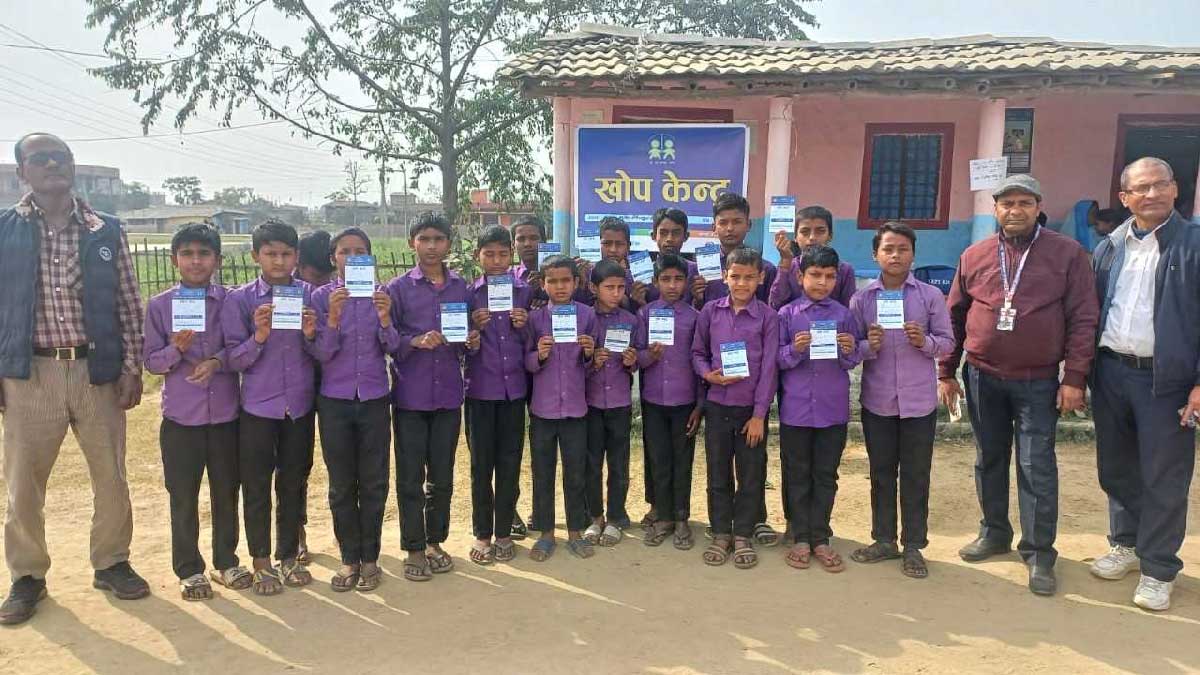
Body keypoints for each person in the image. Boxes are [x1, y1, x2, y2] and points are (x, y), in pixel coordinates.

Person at [0, 133, 147, 625]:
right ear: (23, 172)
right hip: (29, 374)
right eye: (38, 159)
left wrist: (131, 368)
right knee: (23, 482)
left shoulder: (104, 230)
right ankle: (27, 576)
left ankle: (111, 562)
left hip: (96, 372)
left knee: (111, 475)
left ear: (73, 166)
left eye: (59, 157)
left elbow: (129, 302)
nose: (51, 165)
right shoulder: (5, 229)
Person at [938, 174, 1098, 596]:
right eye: (1006, 203)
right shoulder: (975, 255)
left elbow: (1083, 317)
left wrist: (1075, 378)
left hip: (1038, 380)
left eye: (1024, 202)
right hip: (982, 375)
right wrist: (946, 371)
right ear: (995, 209)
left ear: (1038, 206)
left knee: (1036, 464)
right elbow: (955, 316)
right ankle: (994, 533)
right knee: (988, 458)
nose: (1015, 210)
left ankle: (1040, 552)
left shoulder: (1068, 254)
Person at [1089, 157, 1200, 611]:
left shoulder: (1194, 246)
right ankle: (1127, 544)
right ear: (1124, 197)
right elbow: (1091, 310)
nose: (1151, 194)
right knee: (1116, 467)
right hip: (1112, 372)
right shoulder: (1109, 247)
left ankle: (1158, 568)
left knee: (1165, 475)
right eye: (1141, 188)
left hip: (1168, 381)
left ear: (1175, 190)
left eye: (1160, 185)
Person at [143, 223, 248, 601]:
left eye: (204, 254)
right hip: (180, 421)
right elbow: (152, 363)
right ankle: (189, 570)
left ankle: (227, 561)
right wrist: (175, 349)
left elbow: (240, 350)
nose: (196, 261)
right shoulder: (159, 306)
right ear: (175, 261)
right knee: (183, 496)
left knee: (226, 491)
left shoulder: (232, 302)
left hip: (225, 417)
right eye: (187, 254)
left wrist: (218, 361)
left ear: (217, 260)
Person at [848, 222, 954, 579]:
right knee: (880, 473)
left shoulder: (929, 297)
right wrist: (868, 346)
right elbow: (849, 350)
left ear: (913, 254)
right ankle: (883, 540)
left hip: (918, 403)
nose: (895, 255)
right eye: (888, 249)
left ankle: (913, 546)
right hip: (877, 401)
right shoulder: (862, 299)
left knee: (915, 475)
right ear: (875, 254)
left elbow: (948, 342)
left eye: (903, 249)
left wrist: (924, 341)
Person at [224, 219, 318, 595]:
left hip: (299, 405)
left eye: (286, 254)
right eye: (270, 253)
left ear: (296, 256)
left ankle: (289, 556)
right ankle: (261, 561)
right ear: (255, 256)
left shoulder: (311, 295)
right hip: (258, 407)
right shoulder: (241, 299)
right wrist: (258, 337)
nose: (279, 261)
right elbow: (233, 359)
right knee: (257, 485)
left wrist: (312, 334)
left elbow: (326, 352)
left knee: (294, 483)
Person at [386, 212, 476, 581]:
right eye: (424, 239)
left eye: (439, 239)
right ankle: (413, 548)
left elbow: (467, 339)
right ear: (413, 243)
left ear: (448, 245)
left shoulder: (461, 288)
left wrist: (472, 340)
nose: (432, 246)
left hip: (448, 397)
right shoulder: (397, 289)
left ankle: (436, 541)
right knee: (410, 476)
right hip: (410, 394)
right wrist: (414, 341)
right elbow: (388, 339)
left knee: (442, 475)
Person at [311, 227, 397, 592]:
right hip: (335, 400)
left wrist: (385, 319)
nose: (352, 256)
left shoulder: (383, 295)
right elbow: (319, 354)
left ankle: (372, 559)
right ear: (334, 258)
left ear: (370, 258)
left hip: (375, 397)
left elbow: (394, 347)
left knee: (375, 481)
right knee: (342, 484)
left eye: (360, 251)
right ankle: (349, 559)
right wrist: (331, 318)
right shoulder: (320, 297)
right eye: (344, 251)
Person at [776, 246, 862, 573]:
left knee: (826, 475)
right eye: (815, 275)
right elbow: (777, 361)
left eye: (829, 277)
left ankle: (821, 536)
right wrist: (794, 350)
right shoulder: (787, 314)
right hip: (796, 410)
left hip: (831, 410)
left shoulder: (843, 314)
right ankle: (799, 535)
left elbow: (851, 360)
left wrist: (849, 349)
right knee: (797, 473)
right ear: (800, 277)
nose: (822, 282)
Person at [693, 247, 779, 569]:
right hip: (717, 406)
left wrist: (759, 415)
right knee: (718, 474)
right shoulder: (710, 312)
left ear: (760, 278)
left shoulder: (769, 317)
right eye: (735, 276)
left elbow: (769, 368)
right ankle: (720, 533)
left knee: (750, 473)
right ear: (725, 277)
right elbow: (697, 352)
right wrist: (707, 374)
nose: (741, 283)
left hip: (750, 412)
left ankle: (742, 533)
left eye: (748, 277)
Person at [464, 226, 533, 565]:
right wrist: (471, 332)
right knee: (481, 465)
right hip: (479, 390)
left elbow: (534, 342)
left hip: (513, 392)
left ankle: (504, 531)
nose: (496, 260)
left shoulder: (524, 292)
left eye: (502, 254)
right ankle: (482, 533)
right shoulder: (468, 294)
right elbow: (458, 344)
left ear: (511, 256)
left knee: (509, 462)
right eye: (488, 254)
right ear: (478, 256)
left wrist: (525, 325)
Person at [524, 254, 598, 561]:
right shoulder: (535, 319)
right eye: (552, 281)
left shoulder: (587, 315)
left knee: (575, 472)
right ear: (543, 285)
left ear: (576, 283)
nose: (559, 286)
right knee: (543, 472)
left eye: (565, 280)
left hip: (576, 410)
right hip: (542, 410)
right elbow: (525, 362)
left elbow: (591, 368)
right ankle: (545, 533)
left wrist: (590, 352)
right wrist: (539, 355)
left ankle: (576, 532)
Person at [639, 254, 704, 550]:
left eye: (678, 279)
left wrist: (699, 405)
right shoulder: (645, 314)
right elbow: (636, 357)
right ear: (655, 282)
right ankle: (663, 515)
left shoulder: (695, 317)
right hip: (653, 401)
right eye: (665, 279)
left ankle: (681, 518)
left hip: (684, 402)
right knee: (659, 461)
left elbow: (701, 361)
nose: (672, 285)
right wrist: (648, 356)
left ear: (687, 282)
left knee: (682, 462)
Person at [583, 260, 641, 545]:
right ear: (594, 288)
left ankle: (616, 516)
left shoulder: (630, 320)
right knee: (591, 463)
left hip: (619, 402)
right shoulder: (585, 319)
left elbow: (639, 356)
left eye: (621, 287)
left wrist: (633, 361)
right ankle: (594, 516)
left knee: (618, 464)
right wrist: (591, 361)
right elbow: (573, 362)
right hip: (590, 403)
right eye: (609, 287)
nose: (616, 293)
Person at [293, 229, 333, 564]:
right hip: (299, 386)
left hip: (337, 385)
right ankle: (296, 532)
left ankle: (349, 533)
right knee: (296, 463)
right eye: (315, 276)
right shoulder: (289, 293)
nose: (321, 284)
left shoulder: (348, 289)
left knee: (343, 464)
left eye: (328, 275)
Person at [769, 205, 857, 309]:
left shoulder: (844, 270)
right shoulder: (788, 267)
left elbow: (849, 311)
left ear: (830, 236)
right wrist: (785, 262)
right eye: (805, 232)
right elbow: (775, 305)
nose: (812, 237)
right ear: (796, 237)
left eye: (820, 231)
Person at [699, 193, 777, 307]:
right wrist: (697, 298)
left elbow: (772, 307)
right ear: (714, 227)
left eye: (737, 222)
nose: (730, 228)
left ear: (748, 225)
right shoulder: (702, 267)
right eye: (723, 223)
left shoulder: (765, 269)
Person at [575, 216, 642, 311]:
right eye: (607, 244)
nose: (613, 250)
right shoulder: (585, 273)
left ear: (628, 247)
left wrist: (632, 301)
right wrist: (580, 284)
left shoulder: (635, 278)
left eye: (619, 244)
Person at [645, 207, 699, 305]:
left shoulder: (696, 271)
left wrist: (699, 299)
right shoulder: (644, 273)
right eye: (663, 233)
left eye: (676, 233)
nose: (669, 239)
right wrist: (637, 301)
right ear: (653, 236)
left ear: (686, 236)